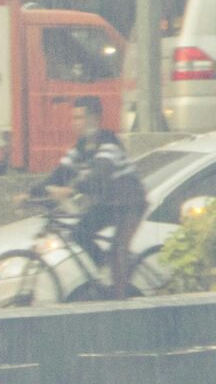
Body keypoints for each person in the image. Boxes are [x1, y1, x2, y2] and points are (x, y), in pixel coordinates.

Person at [31, 95, 148, 297]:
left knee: (118, 249)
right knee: (79, 233)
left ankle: (121, 300)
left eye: (80, 118)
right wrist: (31, 193)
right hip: (108, 203)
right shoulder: (81, 146)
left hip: (130, 203)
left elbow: (99, 173)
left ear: (94, 119)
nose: (75, 123)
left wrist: (71, 189)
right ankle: (107, 267)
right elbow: (60, 173)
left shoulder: (109, 142)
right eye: (73, 118)